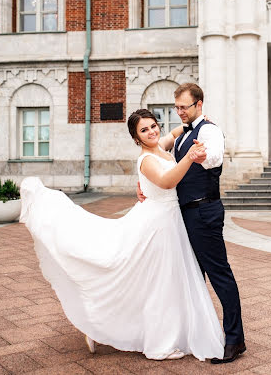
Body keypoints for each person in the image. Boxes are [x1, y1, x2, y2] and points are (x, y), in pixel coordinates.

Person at [19, 108, 224, 361]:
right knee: (157, 283)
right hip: (157, 224)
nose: (151, 132)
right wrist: (189, 157)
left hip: (169, 220)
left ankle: (110, 325)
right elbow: (167, 181)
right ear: (136, 138)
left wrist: (199, 123)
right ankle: (157, 343)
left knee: (159, 281)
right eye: (144, 130)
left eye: (152, 126)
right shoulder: (146, 160)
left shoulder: (160, 145)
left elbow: (174, 132)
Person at [137, 83, 246, 364]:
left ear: (199, 105)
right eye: (177, 108)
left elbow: (214, 157)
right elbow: (151, 156)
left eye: (184, 107)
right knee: (193, 278)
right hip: (184, 215)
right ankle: (197, 334)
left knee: (220, 275)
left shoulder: (208, 131)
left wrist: (202, 155)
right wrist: (140, 181)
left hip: (203, 212)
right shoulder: (183, 133)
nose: (179, 112)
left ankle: (235, 340)